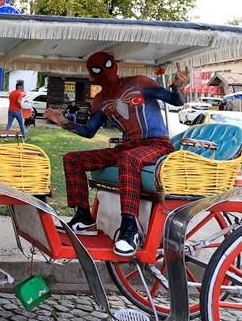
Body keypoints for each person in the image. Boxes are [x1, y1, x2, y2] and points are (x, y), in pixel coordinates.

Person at [44, 53, 186, 257]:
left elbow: (175, 101)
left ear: (116, 65)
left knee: (128, 159)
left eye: (107, 64)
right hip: (128, 146)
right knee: (73, 159)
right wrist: (64, 122)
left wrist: (177, 88)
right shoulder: (101, 100)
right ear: (92, 75)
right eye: (96, 68)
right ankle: (83, 215)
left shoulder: (139, 83)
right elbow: (90, 131)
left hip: (157, 144)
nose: (104, 71)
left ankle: (129, 229)